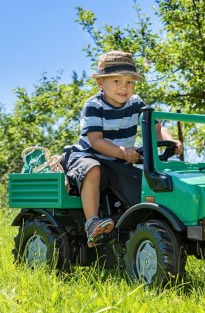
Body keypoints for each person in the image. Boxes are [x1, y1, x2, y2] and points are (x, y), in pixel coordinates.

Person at [66, 50, 183, 247]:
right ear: (101, 83)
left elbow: (156, 127)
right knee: (93, 169)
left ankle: (141, 227)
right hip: (89, 155)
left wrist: (172, 142)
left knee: (146, 182)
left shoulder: (136, 103)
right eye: (117, 81)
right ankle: (92, 222)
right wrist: (122, 152)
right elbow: (95, 140)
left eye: (129, 82)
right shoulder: (94, 106)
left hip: (120, 160)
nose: (124, 87)